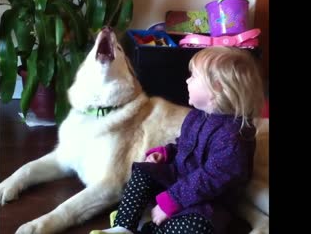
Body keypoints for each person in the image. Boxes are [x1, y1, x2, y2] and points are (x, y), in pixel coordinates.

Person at [90, 46, 264, 234]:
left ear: (217, 88)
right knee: (143, 171)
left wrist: (172, 201)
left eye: (194, 77)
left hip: (209, 201)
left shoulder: (233, 138)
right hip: (179, 178)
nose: (187, 80)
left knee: (198, 227)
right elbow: (184, 146)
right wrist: (165, 153)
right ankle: (123, 226)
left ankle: (149, 230)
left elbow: (209, 179)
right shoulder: (197, 117)